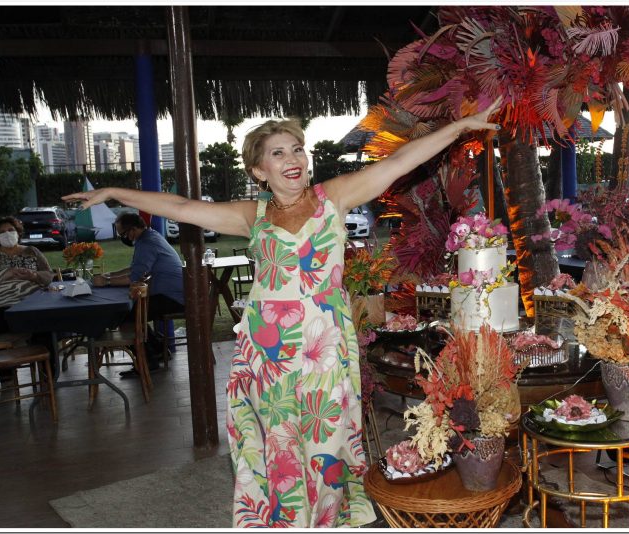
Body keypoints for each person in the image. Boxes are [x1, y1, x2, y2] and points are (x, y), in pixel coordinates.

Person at [63, 96, 502, 528]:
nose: (293, 159)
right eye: (279, 153)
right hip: (265, 355)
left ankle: (326, 521)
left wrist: (460, 127)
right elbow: (180, 207)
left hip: (324, 350)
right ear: (259, 170)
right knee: (280, 448)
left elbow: (399, 162)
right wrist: (114, 192)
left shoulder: (334, 197)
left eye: (297, 149)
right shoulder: (251, 216)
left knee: (326, 444)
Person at [91, 211, 185, 376]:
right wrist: (110, 275)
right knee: (134, 313)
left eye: (123, 234)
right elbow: (135, 269)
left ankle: (146, 363)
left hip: (173, 297)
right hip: (173, 293)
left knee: (126, 316)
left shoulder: (146, 243)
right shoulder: (149, 236)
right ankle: (156, 351)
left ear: (133, 230)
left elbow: (134, 278)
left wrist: (105, 282)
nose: (123, 238)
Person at [0, 216, 54, 335]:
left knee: (45, 325)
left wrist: (34, 276)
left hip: (31, 302)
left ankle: (44, 352)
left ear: (18, 233)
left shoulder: (32, 251)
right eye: (2, 232)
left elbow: (48, 275)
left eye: (11, 230)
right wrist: (5, 273)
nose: (7, 234)